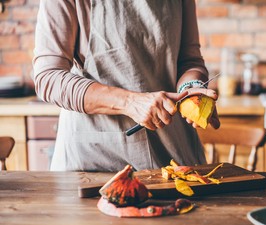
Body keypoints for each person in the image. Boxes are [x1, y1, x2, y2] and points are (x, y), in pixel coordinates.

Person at [33, 0, 220, 172]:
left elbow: (189, 60)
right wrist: (130, 102)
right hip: (95, 164)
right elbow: (48, 77)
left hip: (173, 156)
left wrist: (192, 88)